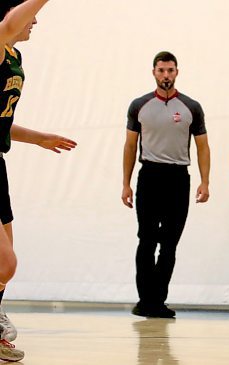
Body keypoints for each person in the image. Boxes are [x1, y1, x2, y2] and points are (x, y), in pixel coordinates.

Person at [0, 0, 77, 361]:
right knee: (6, 264)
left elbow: (1, 125)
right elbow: (9, 22)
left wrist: (39, 138)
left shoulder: (14, 57)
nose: (35, 22)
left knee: (4, 268)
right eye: (31, 16)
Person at [122, 51, 210, 319]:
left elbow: (203, 147)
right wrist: (125, 184)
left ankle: (158, 301)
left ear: (177, 72)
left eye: (170, 70)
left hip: (178, 179)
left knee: (169, 243)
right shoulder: (140, 105)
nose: (166, 75)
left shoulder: (191, 107)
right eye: (161, 70)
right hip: (149, 176)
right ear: (154, 72)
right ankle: (145, 299)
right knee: (146, 240)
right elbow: (129, 145)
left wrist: (205, 182)